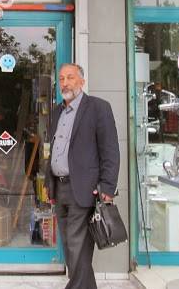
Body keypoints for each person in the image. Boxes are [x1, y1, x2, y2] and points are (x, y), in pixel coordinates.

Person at [44, 63, 120, 289]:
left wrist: (108, 187)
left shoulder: (98, 108)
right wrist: (49, 184)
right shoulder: (57, 112)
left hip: (85, 188)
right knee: (71, 246)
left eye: (70, 78)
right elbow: (53, 151)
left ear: (82, 81)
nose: (65, 83)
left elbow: (110, 151)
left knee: (77, 245)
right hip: (60, 188)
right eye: (61, 79)